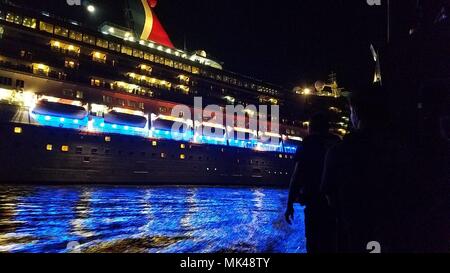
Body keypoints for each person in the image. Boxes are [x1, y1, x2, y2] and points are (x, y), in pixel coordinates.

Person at [285, 112, 341, 253]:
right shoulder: (338, 142)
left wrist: (289, 204)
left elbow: (297, 176)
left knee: (314, 243)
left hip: (314, 202)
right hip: (335, 204)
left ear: (311, 127)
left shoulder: (308, 143)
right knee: (332, 243)